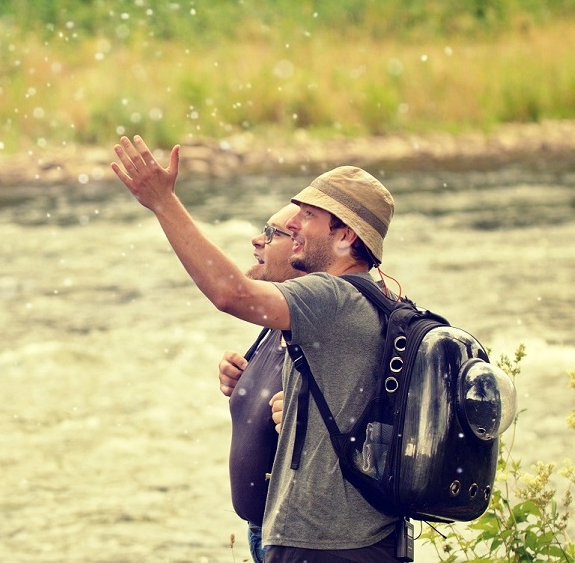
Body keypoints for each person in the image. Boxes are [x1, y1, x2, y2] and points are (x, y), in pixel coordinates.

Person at [111, 135, 399, 562]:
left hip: (328, 546)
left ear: (344, 237)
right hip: (345, 541)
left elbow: (231, 294)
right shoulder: (359, 299)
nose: (295, 225)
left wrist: (163, 203)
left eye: (309, 216)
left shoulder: (333, 296)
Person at [218, 203, 303, 563]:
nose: (257, 240)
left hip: (299, 541)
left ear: (303, 249)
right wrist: (240, 378)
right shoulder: (275, 322)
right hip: (262, 533)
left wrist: (161, 203)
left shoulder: (319, 326)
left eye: (271, 234)